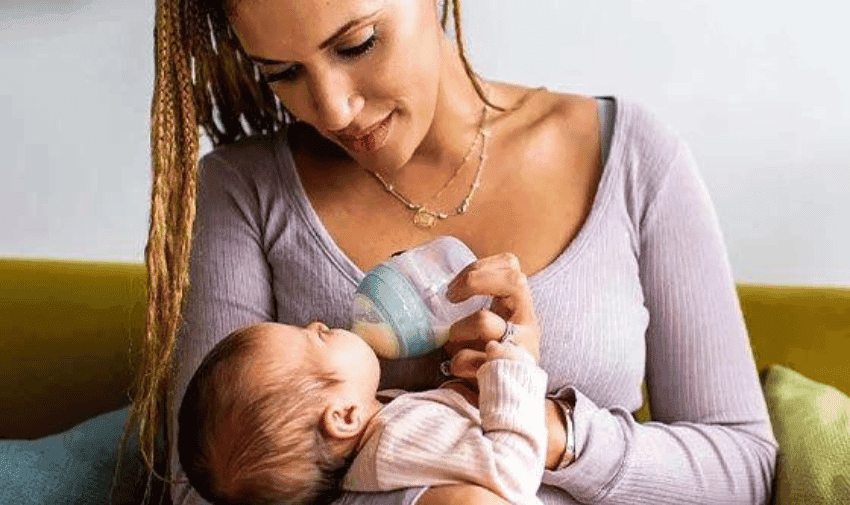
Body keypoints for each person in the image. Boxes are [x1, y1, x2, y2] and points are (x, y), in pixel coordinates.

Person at [128, 0, 779, 502]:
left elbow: (743, 469)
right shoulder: (245, 191)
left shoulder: (634, 157)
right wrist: (436, 488)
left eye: (356, 43)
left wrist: (544, 426)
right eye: (284, 73)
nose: (331, 108)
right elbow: (206, 491)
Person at [177, 316, 548, 505]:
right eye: (316, 338)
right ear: (344, 417)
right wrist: (515, 368)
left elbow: (451, 448)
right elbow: (511, 475)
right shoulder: (397, 439)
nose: (317, 323)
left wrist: (458, 390)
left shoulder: (376, 457)